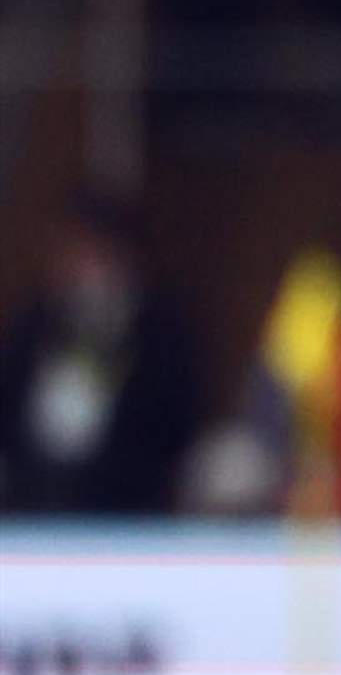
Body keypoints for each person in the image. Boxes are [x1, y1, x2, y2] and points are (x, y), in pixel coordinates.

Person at [0, 192, 200, 516]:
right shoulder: (32, 325)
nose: (78, 269)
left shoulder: (159, 334)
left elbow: (173, 426)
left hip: (124, 504)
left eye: (90, 255)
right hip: (31, 497)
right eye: (69, 254)